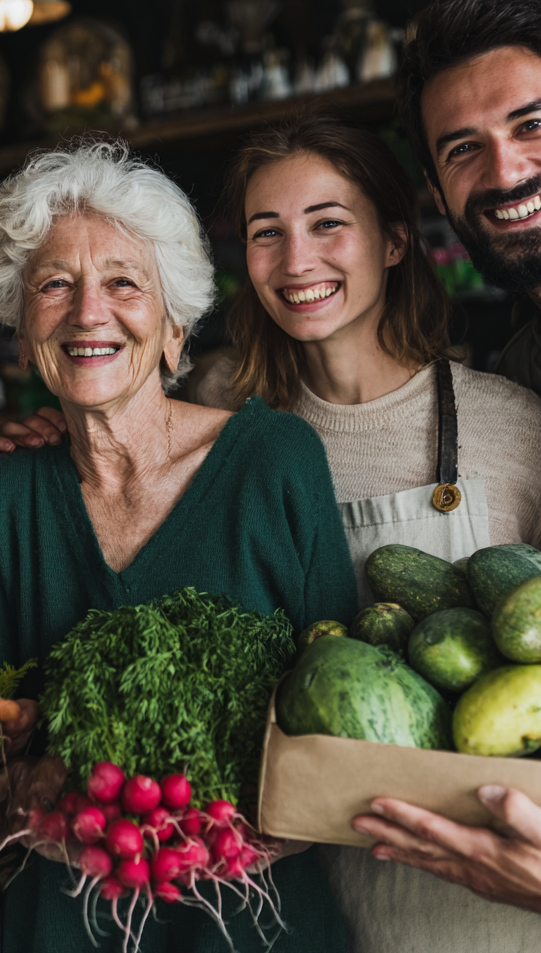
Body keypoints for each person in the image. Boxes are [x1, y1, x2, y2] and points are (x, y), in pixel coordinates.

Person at [0, 139, 358, 953]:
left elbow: (343, 709)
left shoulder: (276, 461)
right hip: (67, 926)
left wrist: (238, 825)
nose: (88, 312)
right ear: (25, 333)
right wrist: (28, 788)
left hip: (259, 926)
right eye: (54, 284)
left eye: (123, 283)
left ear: (174, 328)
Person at [191, 113, 541, 953]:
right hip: (293, 902)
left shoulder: (511, 425)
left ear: (391, 240)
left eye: (327, 224)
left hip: (482, 904)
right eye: (265, 233)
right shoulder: (214, 424)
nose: (296, 261)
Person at [396, 0, 541, 395]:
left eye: (532, 125)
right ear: (437, 191)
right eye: (463, 149)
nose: (504, 174)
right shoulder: (520, 377)